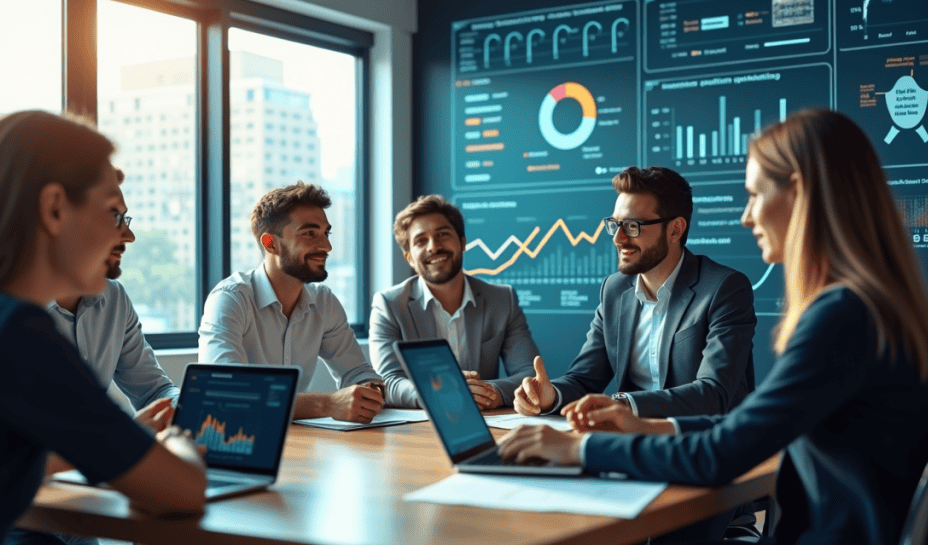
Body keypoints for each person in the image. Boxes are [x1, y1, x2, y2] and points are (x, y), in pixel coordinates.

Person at [497, 108, 928, 545]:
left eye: (753, 195)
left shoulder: (840, 315)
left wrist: (581, 449)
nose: (747, 217)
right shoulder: (876, 306)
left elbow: (721, 454)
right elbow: (750, 427)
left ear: (799, 193)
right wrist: (647, 426)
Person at [0, 110, 206, 545]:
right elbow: (181, 491)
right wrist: (175, 444)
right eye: (113, 212)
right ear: (55, 208)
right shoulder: (12, 332)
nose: (125, 238)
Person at [1, 169, 181, 545]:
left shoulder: (113, 299)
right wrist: (125, 438)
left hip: (72, 494)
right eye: (115, 217)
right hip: (12, 513)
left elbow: (153, 389)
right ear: (55, 218)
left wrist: (180, 409)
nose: (129, 236)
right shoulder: (3, 315)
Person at [515, 166, 756, 423]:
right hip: (632, 442)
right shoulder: (614, 290)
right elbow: (584, 379)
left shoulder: (724, 288)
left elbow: (713, 393)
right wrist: (550, 396)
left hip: (703, 444)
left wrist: (623, 404)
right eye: (615, 224)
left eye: (632, 226)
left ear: (675, 229)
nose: (618, 238)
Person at [199, 182, 385, 423]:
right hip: (236, 440)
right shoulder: (231, 299)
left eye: (325, 233)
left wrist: (371, 392)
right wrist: (328, 404)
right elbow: (226, 392)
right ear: (271, 244)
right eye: (310, 233)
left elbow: (358, 373)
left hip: (297, 440)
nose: (326, 246)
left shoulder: (324, 301)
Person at [369, 195, 540, 409]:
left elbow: (529, 373)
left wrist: (493, 392)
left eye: (442, 234)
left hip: (486, 421)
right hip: (418, 429)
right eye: (421, 240)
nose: (434, 246)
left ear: (462, 243)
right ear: (409, 257)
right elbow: (387, 382)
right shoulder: (389, 305)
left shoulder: (503, 300)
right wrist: (439, 393)